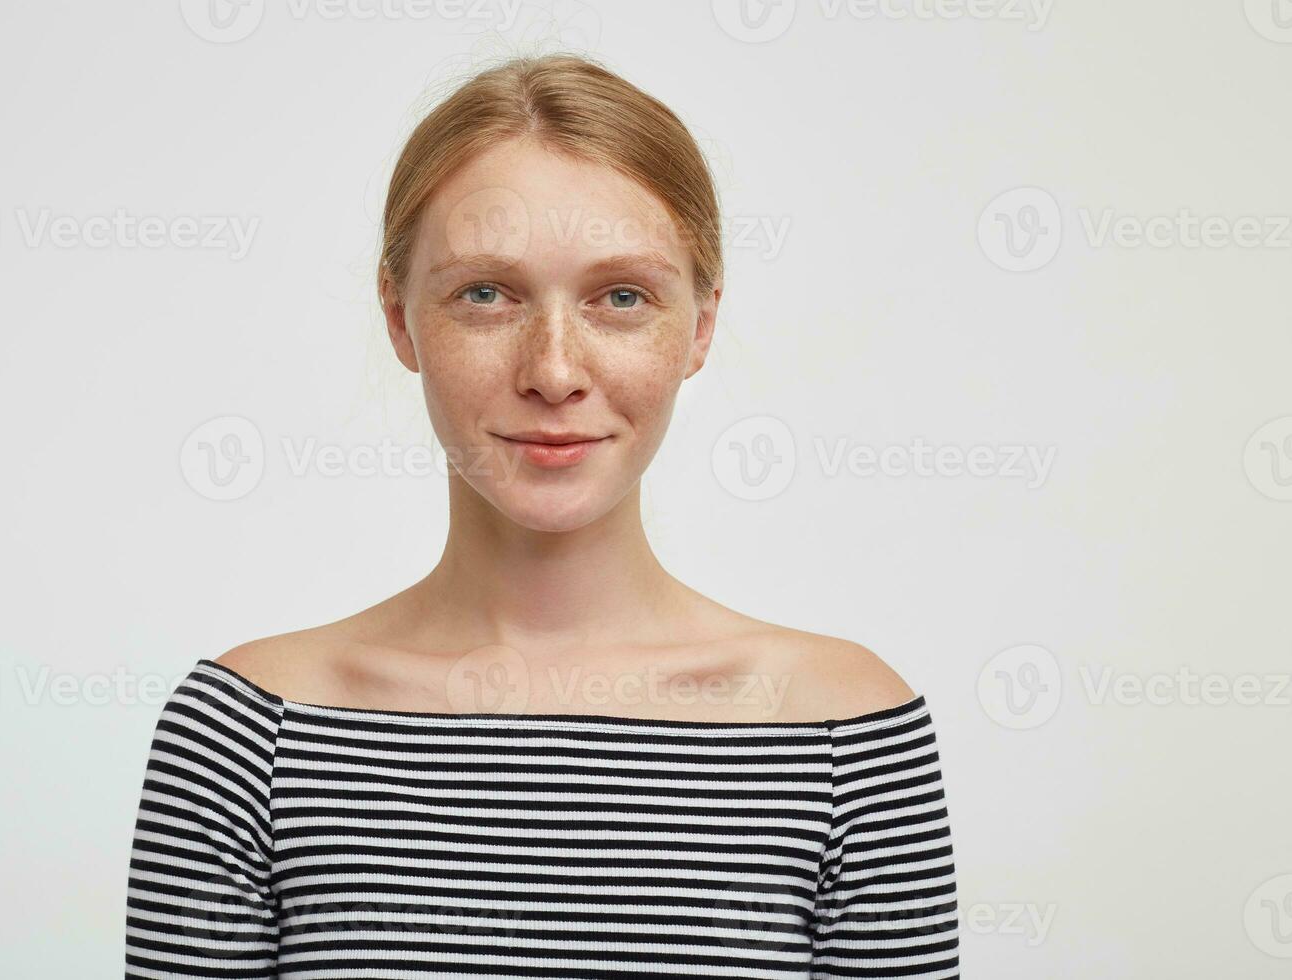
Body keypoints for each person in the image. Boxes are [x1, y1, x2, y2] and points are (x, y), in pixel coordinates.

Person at [126, 52, 960, 978]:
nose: (554, 371)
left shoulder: (846, 734)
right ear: (400, 318)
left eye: (621, 298)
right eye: (485, 294)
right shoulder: (251, 732)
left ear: (701, 324)